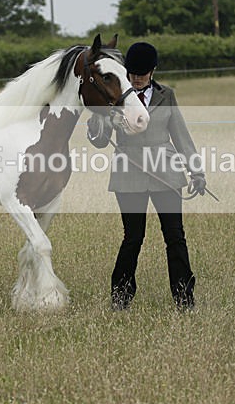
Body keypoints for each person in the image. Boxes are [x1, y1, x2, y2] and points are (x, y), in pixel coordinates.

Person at [87, 41, 206, 311]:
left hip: (167, 174)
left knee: (175, 236)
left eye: (142, 73)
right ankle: (120, 298)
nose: (137, 78)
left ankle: (184, 298)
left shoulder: (168, 95)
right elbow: (98, 140)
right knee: (133, 236)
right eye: (132, 72)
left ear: (153, 71)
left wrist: (196, 170)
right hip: (129, 175)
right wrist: (102, 119)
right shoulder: (116, 95)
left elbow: (181, 135)